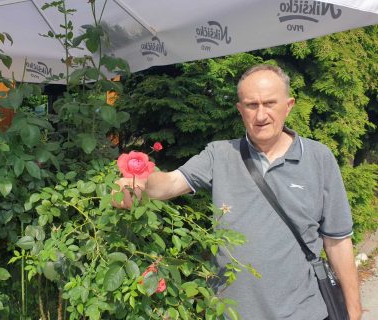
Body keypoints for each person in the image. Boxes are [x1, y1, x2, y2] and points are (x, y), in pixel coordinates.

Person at [113, 64, 362, 320]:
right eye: (252, 105)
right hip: (232, 314)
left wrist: (354, 313)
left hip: (303, 312)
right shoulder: (219, 154)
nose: (261, 115)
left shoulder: (319, 158)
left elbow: (338, 241)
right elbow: (171, 183)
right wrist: (140, 182)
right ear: (240, 110)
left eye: (270, 103)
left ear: (288, 105)